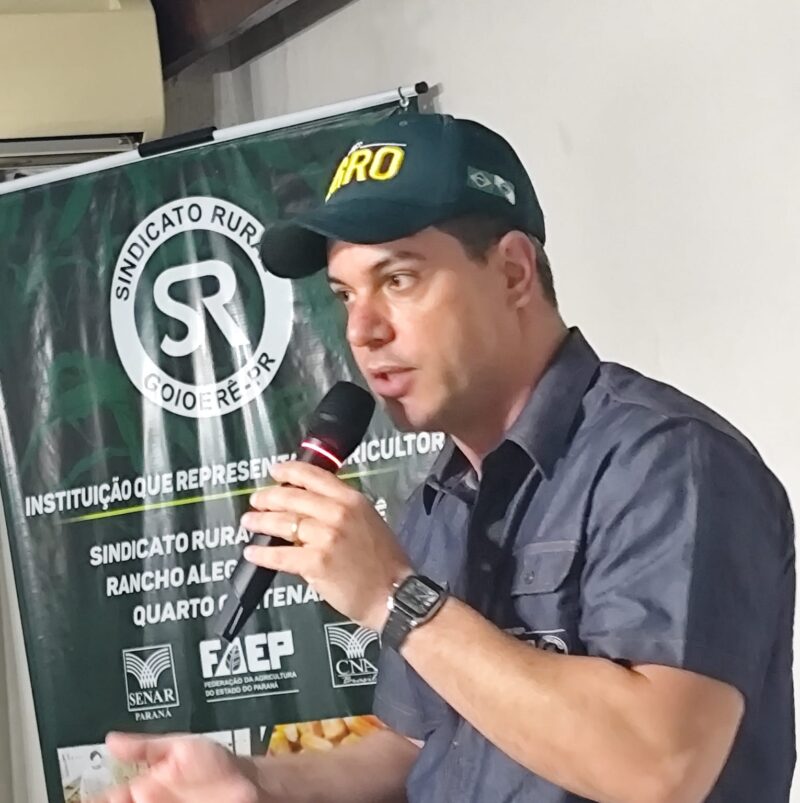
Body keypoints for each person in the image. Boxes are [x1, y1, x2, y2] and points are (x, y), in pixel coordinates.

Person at [94, 113, 795, 803]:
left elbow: (659, 766)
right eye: (345, 295)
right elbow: (422, 745)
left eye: (398, 280)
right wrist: (258, 782)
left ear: (514, 272)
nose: (361, 330)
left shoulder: (668, 462)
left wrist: (393, 597)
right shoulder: (442, 497)